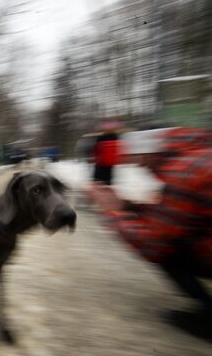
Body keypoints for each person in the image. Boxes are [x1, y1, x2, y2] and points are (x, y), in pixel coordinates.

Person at [86, 127, 212, 333]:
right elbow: (175, 214)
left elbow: (154, 242)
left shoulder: (183, 171)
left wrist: (112, 212)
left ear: (154, 151)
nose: (141, 164)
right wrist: (127, 206)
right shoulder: (199, 156)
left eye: (141, 157)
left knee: (169, 252)